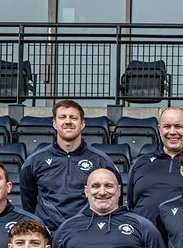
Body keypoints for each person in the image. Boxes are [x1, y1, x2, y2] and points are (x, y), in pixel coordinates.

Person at [19, 99, 117, 232]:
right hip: (48, 234)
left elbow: (115, 198)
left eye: (73, 117)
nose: (68, 122)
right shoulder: (35, 161)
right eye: (62, 117)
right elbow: (28, 202)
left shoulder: (101, 161)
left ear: (82, 124)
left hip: (86, 232)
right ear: (54, 123)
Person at [126, 107, 183, 220]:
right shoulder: (140, 163)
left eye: (178, 126)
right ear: (159, 129)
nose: (172, 132)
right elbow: (131, 202)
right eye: (167, 126)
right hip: (145, 236)